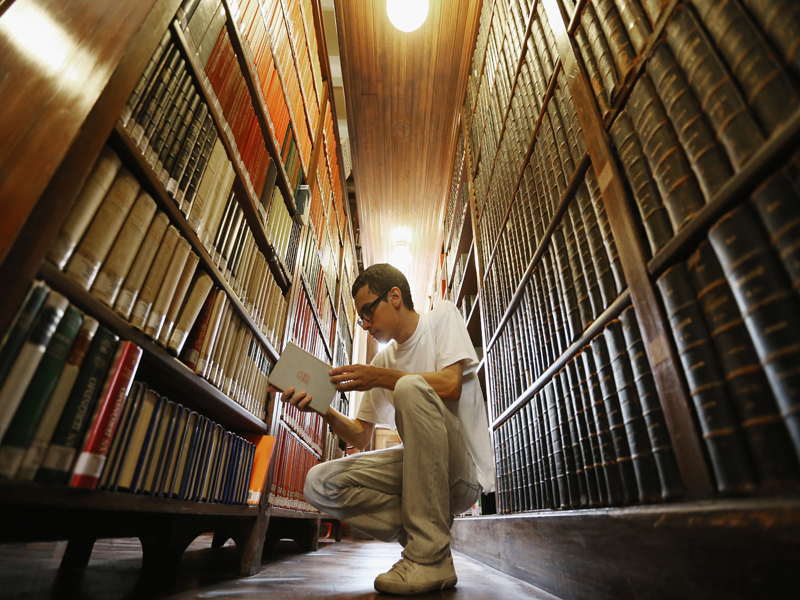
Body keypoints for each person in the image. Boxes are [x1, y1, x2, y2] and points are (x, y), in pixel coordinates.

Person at [282, 263, 495, 595]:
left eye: (369, 312)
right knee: (320, 483)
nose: (366, 325)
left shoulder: (442, 317)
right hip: (417, 474)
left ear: (395, 296)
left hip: (459, 473)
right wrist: (323, 410)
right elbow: (361, 435)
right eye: (361, 319)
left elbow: (452, 384)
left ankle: (427, 556)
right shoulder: (383, 362)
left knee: (410, 388)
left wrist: (380, 378)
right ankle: (429, 546)